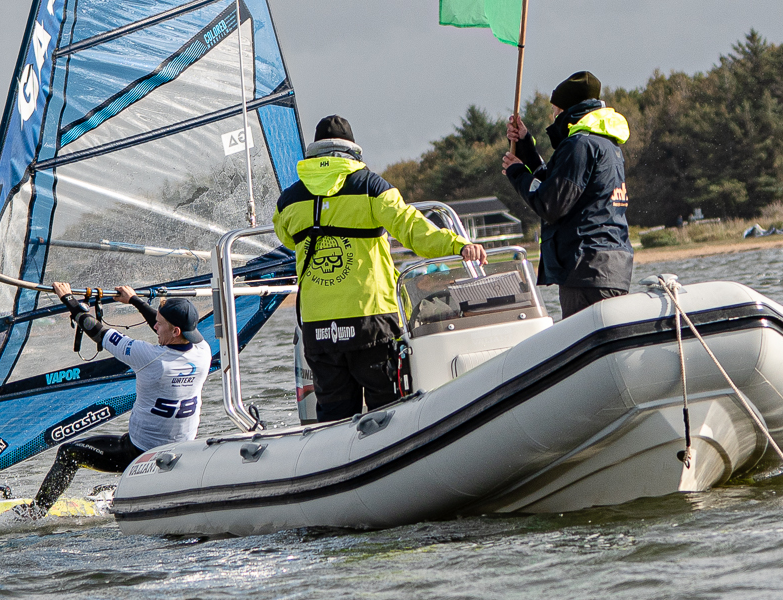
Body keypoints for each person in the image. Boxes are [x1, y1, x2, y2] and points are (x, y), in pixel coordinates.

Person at [271, 115, 487, 421]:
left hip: (319, 326)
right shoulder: (370, 186)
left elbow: (286, 238)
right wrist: (458, 245)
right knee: (388, 409)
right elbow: (412, 229)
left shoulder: (288, 200)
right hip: (371, 319)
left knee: (334, 416)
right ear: (352, 150)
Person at [28, 284, 211, 513]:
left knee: (68, 453)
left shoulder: (149, 357)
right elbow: (165, 327)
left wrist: (68, 299)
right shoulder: (203, 352)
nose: (155, 326)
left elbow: (97, 331)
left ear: (175, 331)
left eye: (159, 324)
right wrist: (134, 300)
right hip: (181, 452)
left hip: (141, 453)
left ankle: (34, 513)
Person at [504, 71, 634, 316]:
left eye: (555, 111)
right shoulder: (604, 143)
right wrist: (525, 145)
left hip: (586, 269)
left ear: (568, 110)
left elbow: (550, 203)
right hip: (609, 267)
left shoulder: (579, 145)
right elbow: (557, 184)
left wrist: (518, 174)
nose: (553, 117)